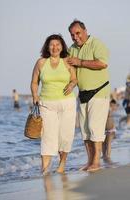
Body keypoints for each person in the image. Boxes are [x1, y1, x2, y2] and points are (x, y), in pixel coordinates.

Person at [30, 34, 77, 174]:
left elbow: (74, 79)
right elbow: (34, 82)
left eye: (58, 45)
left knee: (65, 136)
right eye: (52, 45)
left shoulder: (67, 62)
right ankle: (45, 170)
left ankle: (62, 165)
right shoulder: (41, 62)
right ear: (47, 47)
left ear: (62, 47)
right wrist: (34, 95)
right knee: (47, 138)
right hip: (46, 104)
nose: (55, 47)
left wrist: (72, 85)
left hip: (67, 103)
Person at [67, 20, 110, 172]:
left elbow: (102, 63)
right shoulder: (71, 49)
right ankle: (89, 161)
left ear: (85, 30)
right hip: (82, 94)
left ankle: (96, 162)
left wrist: (80, 62)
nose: (75, 37)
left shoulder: (95, 43)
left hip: (99, 92)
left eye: (78, 33)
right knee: (85, 131)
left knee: (95, 129)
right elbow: (67, 66)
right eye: (72, 35)